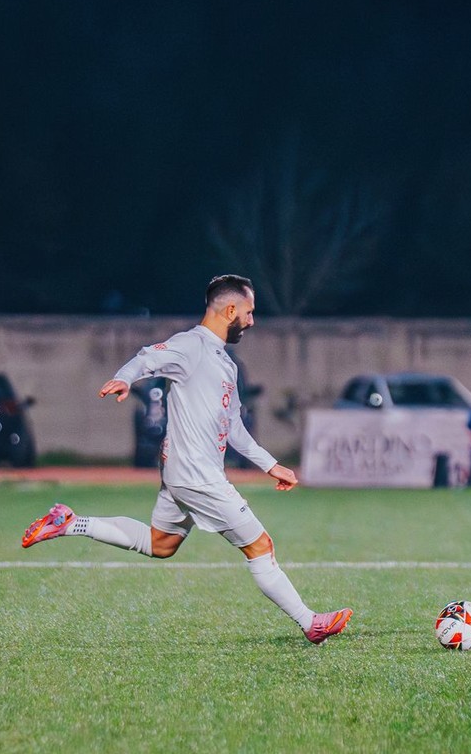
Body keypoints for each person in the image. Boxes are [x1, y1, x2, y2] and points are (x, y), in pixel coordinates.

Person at [21, 274, 353, 644]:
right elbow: (148, 357)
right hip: (197, 476)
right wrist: (124, 378)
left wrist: (270, 465)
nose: (252, 320)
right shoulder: (192, 345)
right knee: (260, 546)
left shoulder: (225, 363)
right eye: (249, 312)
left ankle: (69, 523)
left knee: (161, 544)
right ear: (230, 310)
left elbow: (234, 426)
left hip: (183, 473)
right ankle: (311, 623)